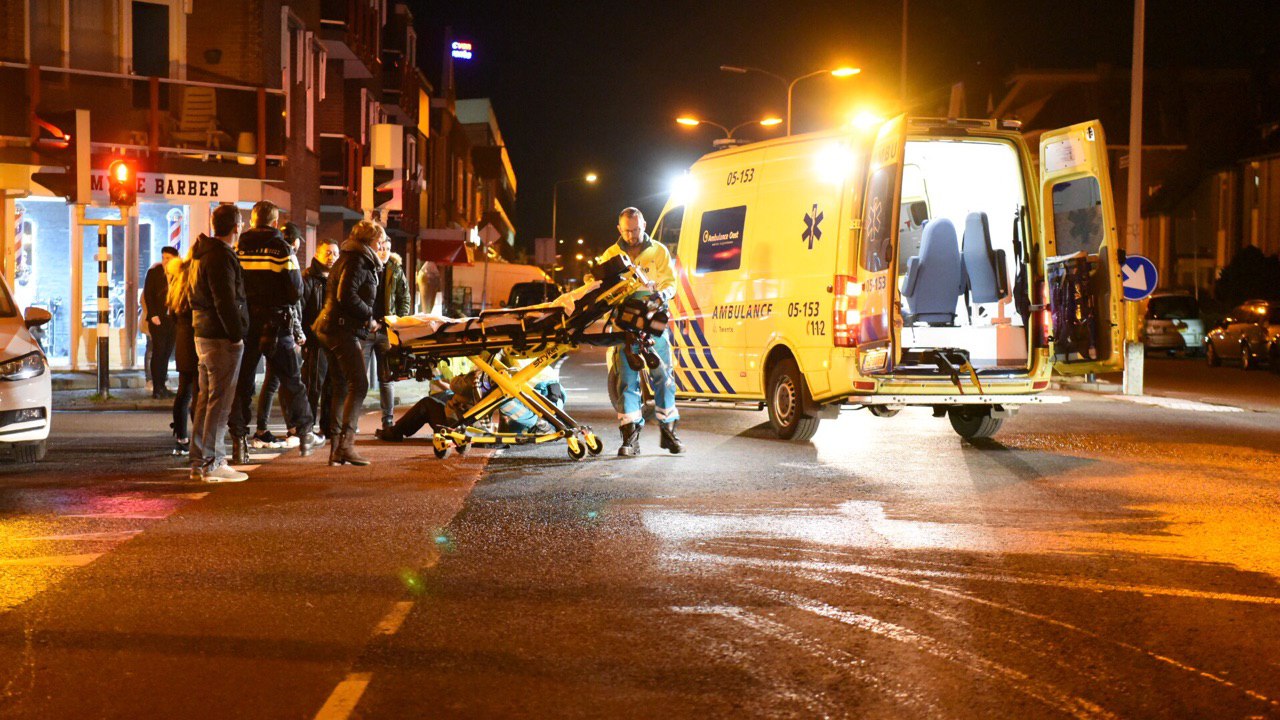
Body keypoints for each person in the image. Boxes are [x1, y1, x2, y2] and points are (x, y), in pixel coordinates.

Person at [227, 202, 316, 463]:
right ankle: (305, 431)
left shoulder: (238, 247)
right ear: (275, 223)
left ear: (252, 221)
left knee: (243, 383)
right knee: (291, 378)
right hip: (277, 323)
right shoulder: (281, 249)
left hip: (246, 324)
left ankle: (239, 441)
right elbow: (296, 289)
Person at [596, 207, 683, 456]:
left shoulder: (659, 251)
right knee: (627, 379)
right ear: (619, 229)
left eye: (636, 229)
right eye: (627, 231)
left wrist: (662, 294)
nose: (633, 235)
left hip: (652, 318)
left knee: (663, 375)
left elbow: (670, 282)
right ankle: (630, 438)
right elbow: (601, 288)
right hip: (624, 323)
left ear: (644, 224)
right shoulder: (611, 255)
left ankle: (669, 432)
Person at [314, 220, 384, 466]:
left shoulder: (349, 257)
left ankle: (336, 449)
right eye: (380, 241)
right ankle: (346, 446)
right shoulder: (358, 260)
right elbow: (347, 295)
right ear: (370, 241)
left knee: (341, 386)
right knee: (359, 384)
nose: (382, 245)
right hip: (341, 330)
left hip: (330, 327)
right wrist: (369, 317)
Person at [189, 204, 250, 482]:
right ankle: (214, 462)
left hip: (203, 333)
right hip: (220, 336)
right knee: (220, 402)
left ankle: (199, 462)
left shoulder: (201, 254)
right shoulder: (221, 257)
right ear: (236, 227)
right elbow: (224, 299)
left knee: (206, 400)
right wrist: (236, 334)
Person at [250, 223, 308, 449]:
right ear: (295, 242)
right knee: (288, 381)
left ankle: (262, 429)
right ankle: (296, 429)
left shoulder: (261, 256)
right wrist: (298, 333)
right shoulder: (286, 256)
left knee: (272, 381)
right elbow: (293, 300)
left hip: (265, 326)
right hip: (281, 331)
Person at [369, 236, 410, 431]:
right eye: (380, 248)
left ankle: (388, 419)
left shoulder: (395, 270)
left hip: (386, 330)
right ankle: (349, 421)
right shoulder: (366, 268)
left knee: (386, 377)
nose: (383, 251)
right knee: (358, 376)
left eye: (387, 248)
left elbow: (404, 298)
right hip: (366, 329)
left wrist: (397, 322)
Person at [302, 240, 339, 442]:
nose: (331, 257)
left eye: (335, 253)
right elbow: (302, 308)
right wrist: (307, 336)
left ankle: (327, 427)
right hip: (316, 340)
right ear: (317, 254)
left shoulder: (337, 278)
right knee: (313, 384)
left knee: (331, 385)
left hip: (334, 339)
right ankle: (307, 427)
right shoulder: (309, 278)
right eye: (327, 253)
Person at [167, 248, 198, 456]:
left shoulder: (176, 286)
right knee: (199, 391)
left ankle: (180, 434)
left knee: (184, 391)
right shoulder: (195, 285)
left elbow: (172, 315)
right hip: (196, 340)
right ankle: (199, 435)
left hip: (183, 341)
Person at [144, 246, 181, 398]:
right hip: (157, 318)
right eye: (164, 258)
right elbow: (148, 294)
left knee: (166, 352)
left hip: (172, 319)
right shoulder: (154, 273)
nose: (165, 261)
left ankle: (162, 385)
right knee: (158, 352)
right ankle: (156, 387)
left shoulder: (179, 274)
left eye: (168, 258)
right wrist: (153, 314)